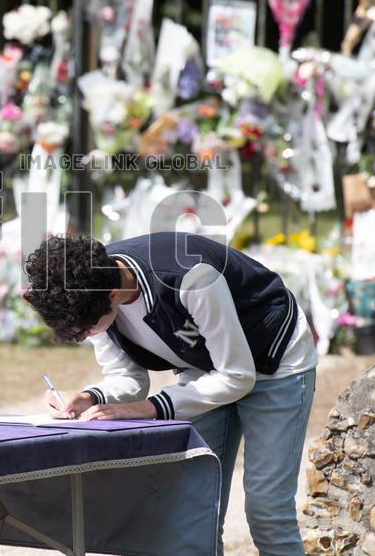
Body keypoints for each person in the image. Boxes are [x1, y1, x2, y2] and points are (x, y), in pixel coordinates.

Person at [23, 231, 316, 555]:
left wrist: (149, 408)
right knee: (194, 509)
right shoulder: (86, 287)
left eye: (87, 330)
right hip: (205, 369)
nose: (87, 336)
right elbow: (127, 376)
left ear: (112, 295)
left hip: (274, 360)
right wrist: (89, 397)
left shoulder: (189, 278)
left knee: (267, 511)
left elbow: (237, 375)